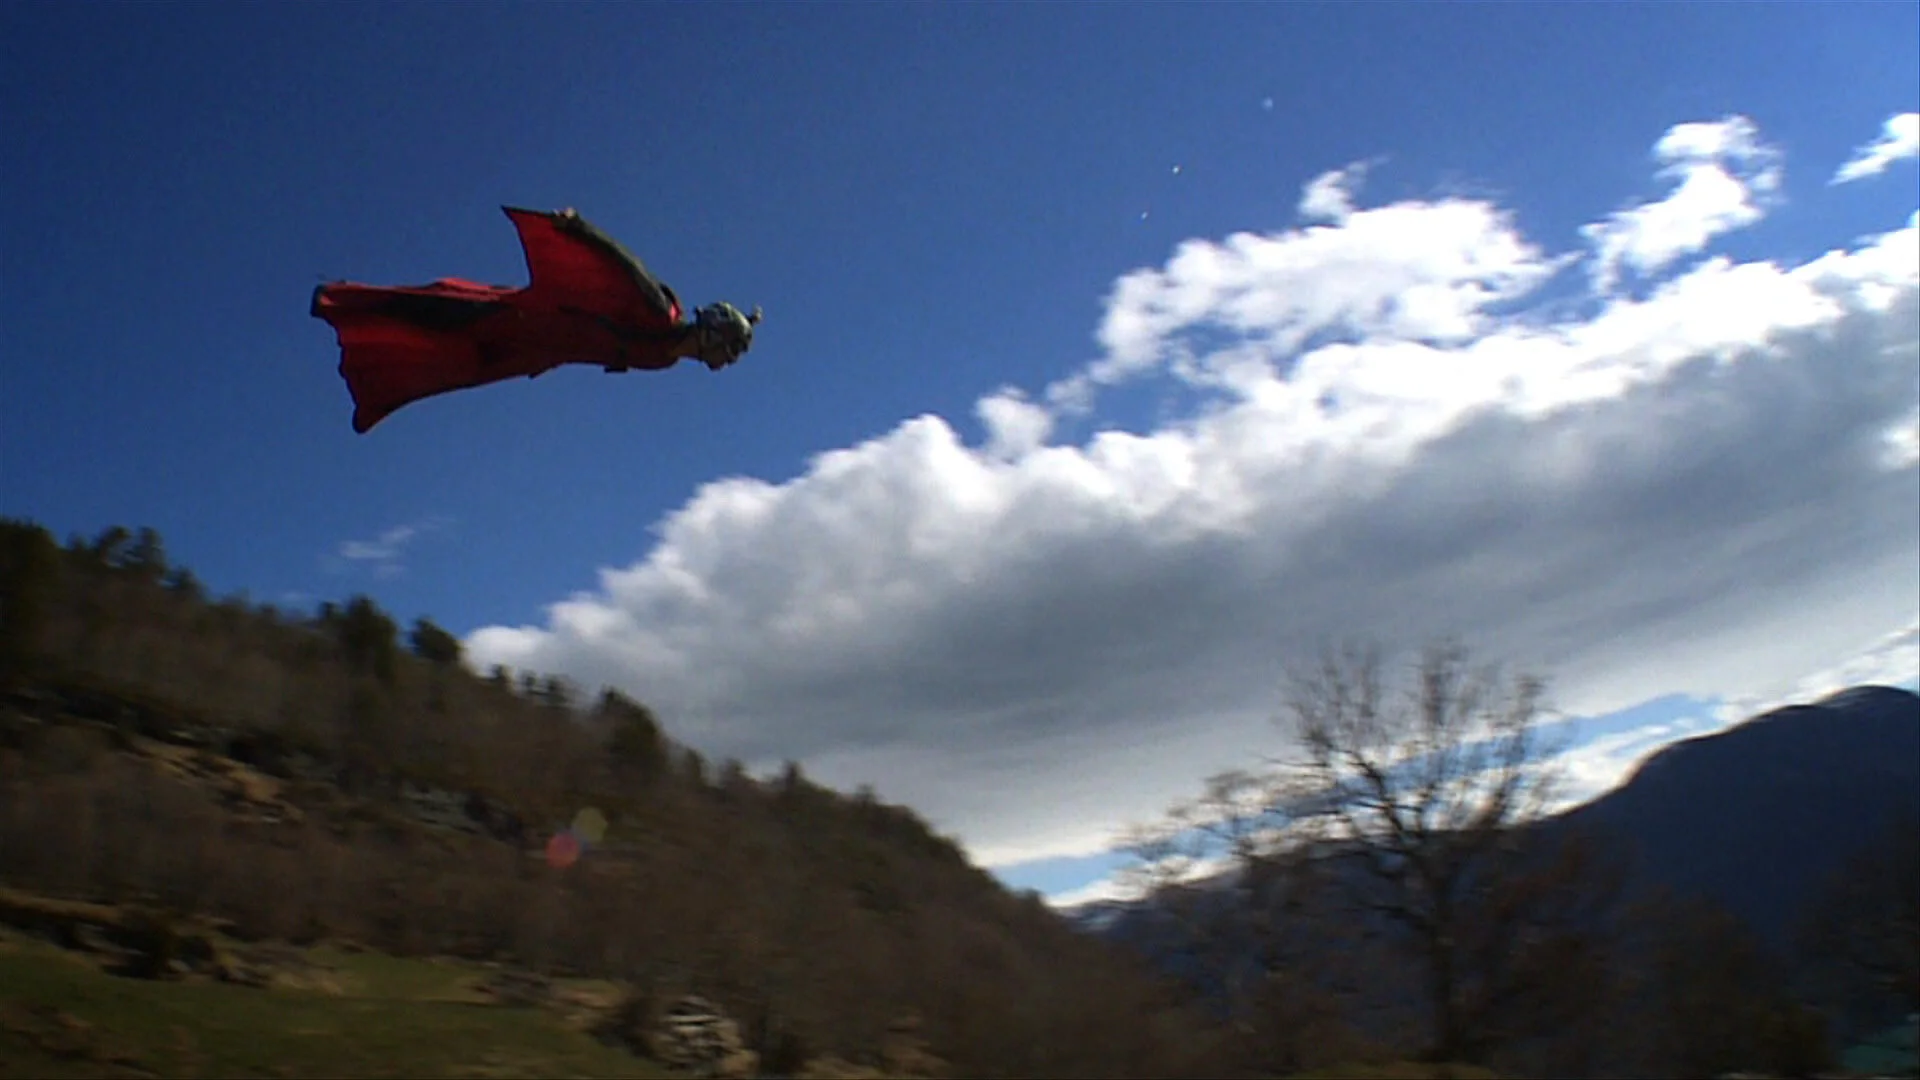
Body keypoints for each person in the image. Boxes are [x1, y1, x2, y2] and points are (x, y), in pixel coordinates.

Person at [311, 206, 760, 433]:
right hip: (531, 316)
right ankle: (342, 299)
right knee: (442, 307)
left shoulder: (664, 359)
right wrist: (580, 228)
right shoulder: (660, 315)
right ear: (712, 336)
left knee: (451, 367)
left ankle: (375, 386)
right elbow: (627, 269)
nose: (725, 363)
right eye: (728, 351)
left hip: (536, 350)